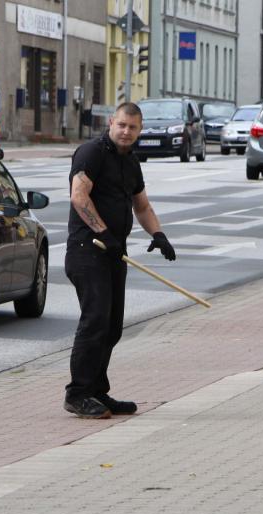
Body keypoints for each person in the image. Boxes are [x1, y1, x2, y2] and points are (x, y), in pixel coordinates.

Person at [63, 102, 176, 419]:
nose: (126, 132)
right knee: (95, 320)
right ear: (111, 122)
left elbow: (141, 205)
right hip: (88, 250)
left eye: (133, 127)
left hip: (114, 252)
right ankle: (78, 394)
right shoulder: (91, 153)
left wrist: (159, 235)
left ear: (140, 130)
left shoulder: (131, 162)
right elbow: (78, 196)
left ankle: (98, 391)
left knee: (112, 327)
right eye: (122, 125)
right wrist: (103, 232)